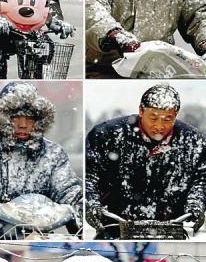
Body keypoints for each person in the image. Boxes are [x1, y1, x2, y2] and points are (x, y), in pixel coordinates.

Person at [0, 82, 83, 240]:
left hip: (36, 240)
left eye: (30, 118)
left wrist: (78, 209)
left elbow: (69, 191)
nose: (23, 125)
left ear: (39, 120)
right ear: (2, 118)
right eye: (15, 117)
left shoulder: (53, 154)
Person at [86, 84, 206, 239]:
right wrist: (92, 204)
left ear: (176, 115)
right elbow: (90, 175)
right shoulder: (107, 135)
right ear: (141, 111)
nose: (159, 126)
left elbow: (201, 179)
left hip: (170, 230)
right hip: (115, 229)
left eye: (167, 119)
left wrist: (196, 203)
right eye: (153, 118)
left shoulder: (195, 142)